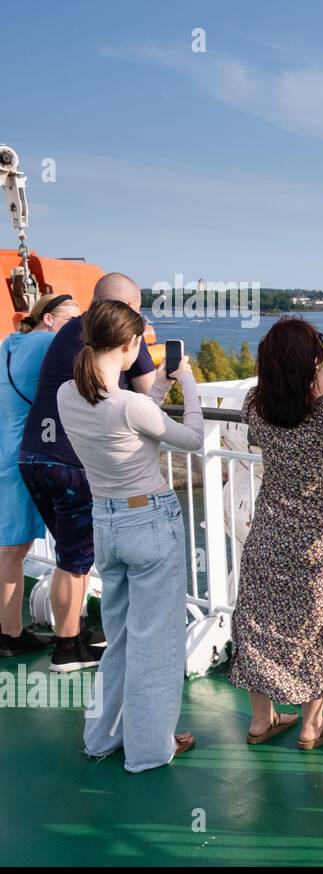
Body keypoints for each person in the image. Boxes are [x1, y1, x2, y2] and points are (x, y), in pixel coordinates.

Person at [57, 299, 202, 771]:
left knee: (119, 638)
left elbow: (133, 418)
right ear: (129, 343)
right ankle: (148, 750)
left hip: (107, 523)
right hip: (150, 523)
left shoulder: (66, 395)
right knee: (155, 643)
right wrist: (190, 387)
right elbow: (192, 439)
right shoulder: (130, 405)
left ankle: (101, 737)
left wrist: (158, 386)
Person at [229, 318, 323, 749]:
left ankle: (260, 721)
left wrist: (313, 382)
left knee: (258, 624)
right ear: (312, 363)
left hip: (268, 532)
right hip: (317, 541)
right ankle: (311, 725)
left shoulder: (256, 404)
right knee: (318, 628)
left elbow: (275, 415)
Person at [19, 274, 157, 672]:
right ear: (128, 309)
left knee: (71, 553)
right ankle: (67, 647)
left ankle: (73, 634)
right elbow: (148, 392)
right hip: (72, 464)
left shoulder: (67, 332)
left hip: (33, 456)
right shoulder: (121, 333)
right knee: (75, 560)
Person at [0, 294, 80, 658]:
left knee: (12, 547)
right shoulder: (49, 341)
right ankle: (11, 634)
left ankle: (11, 628)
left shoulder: (11, 343)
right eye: (71, 318)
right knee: (13, 548)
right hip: (25, 452)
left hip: (6, 448)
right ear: (48, 318)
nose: (76, 326)